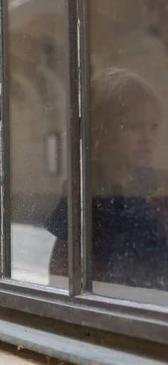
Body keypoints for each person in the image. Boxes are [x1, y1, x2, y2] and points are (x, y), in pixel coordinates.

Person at [46, 68, 168, 291]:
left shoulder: (157, 186)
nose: (147, 138)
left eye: (154, 127)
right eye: (133, 127)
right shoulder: (86, 190)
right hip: (108, 302)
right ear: (100, 131)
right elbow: (61, 269)